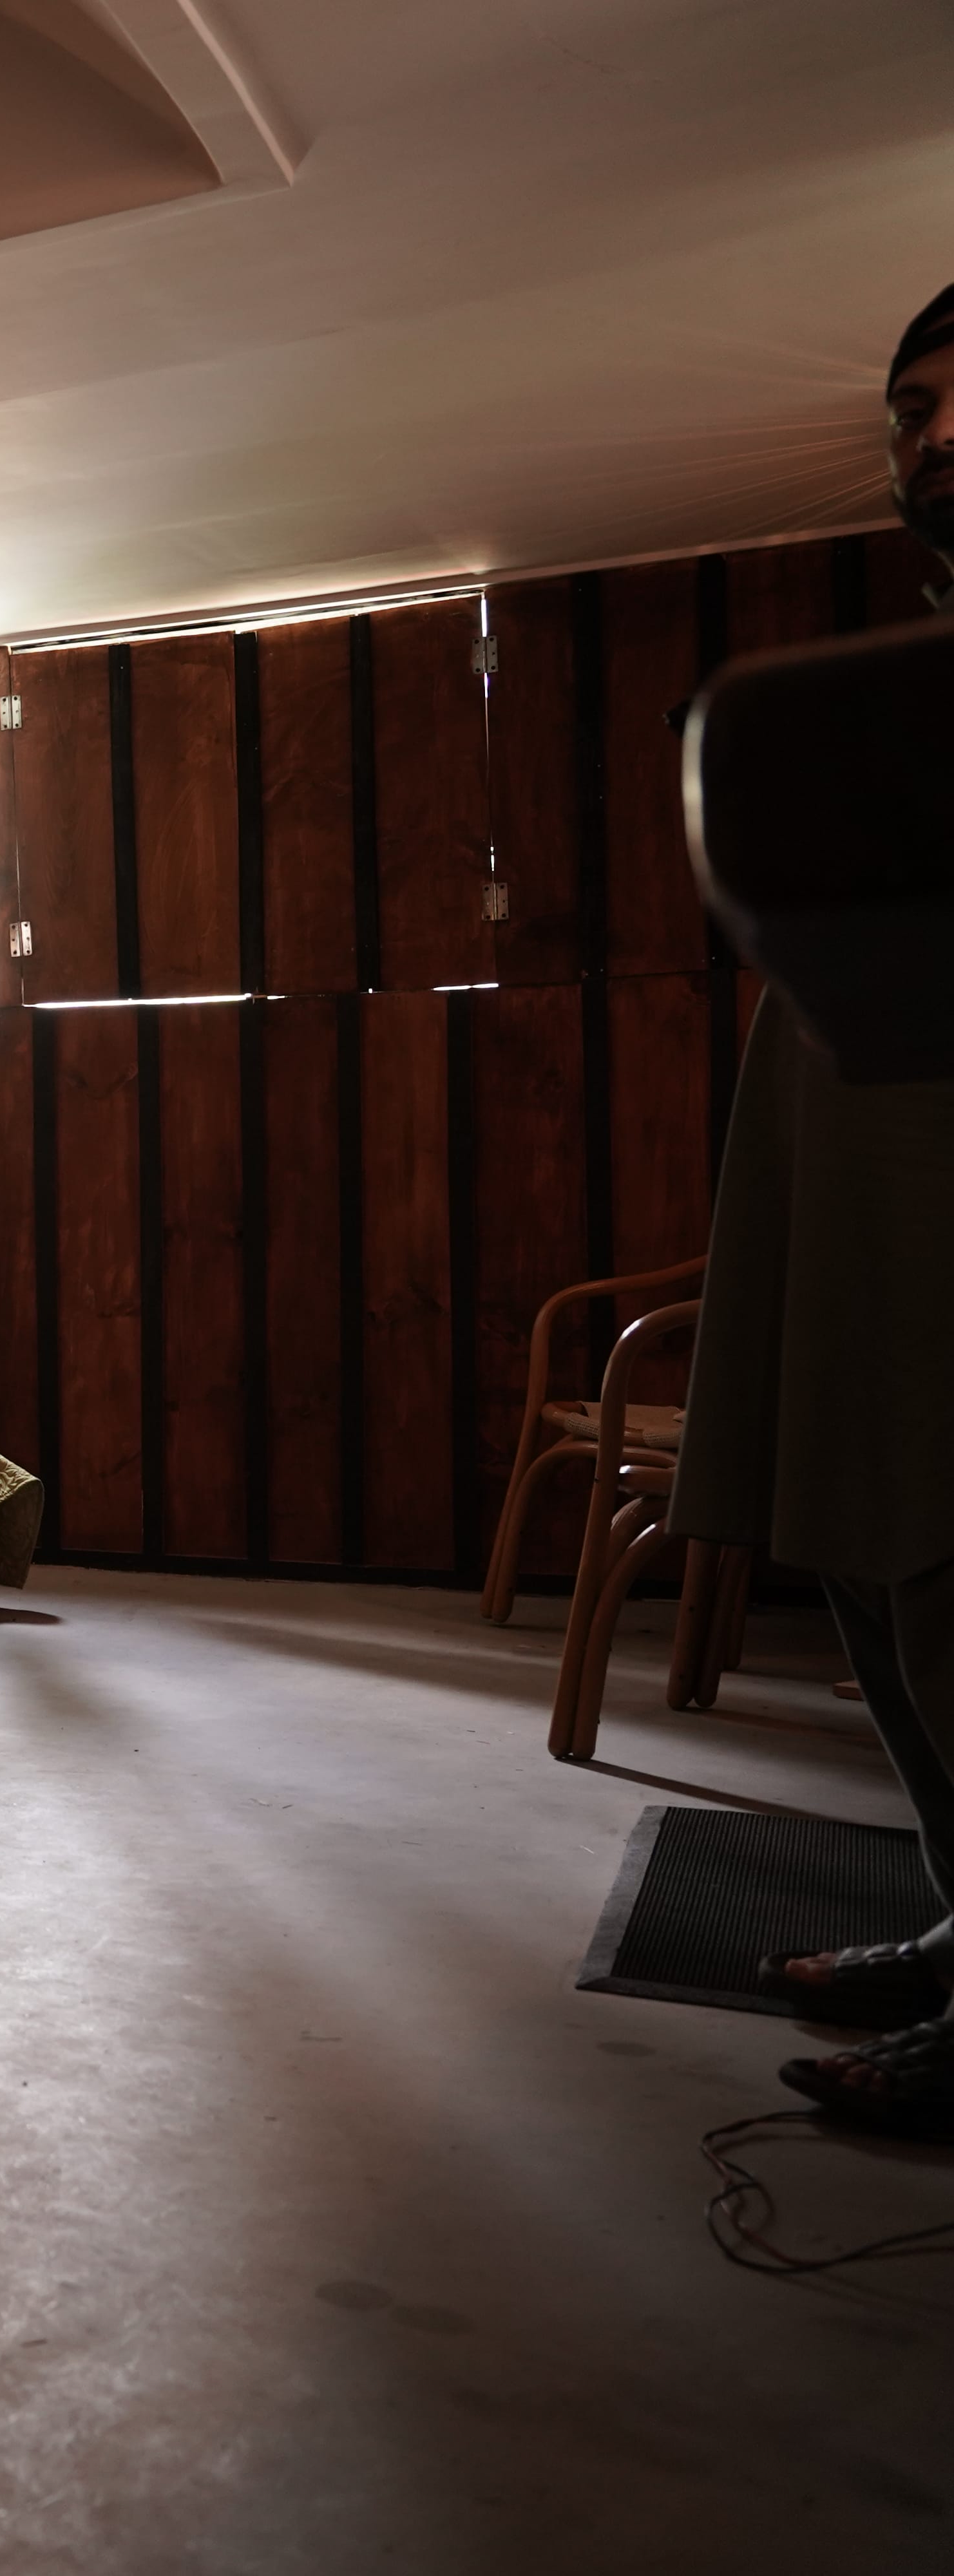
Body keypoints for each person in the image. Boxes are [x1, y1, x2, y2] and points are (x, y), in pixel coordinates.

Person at [665, 281, 954, 2134]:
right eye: (913, 412)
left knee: (949, 1587)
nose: (936, 440)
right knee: (872, 1577)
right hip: (855, 1170)